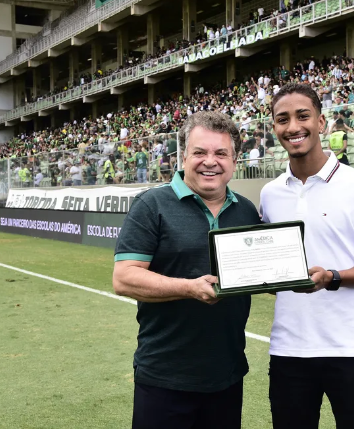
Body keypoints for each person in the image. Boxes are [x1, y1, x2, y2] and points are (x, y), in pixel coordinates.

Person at [260, 83, 354, 429]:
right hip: (289, 348)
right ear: (274, 128)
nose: (293, 127)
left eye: (302, 116)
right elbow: (273, 270)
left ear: (321, 122)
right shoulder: (270, 193)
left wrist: (332, 277)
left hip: (351, 349)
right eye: (282, 119)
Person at [112, 111, 261, 429]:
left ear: (234, 161)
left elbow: (258, 270)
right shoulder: (151, 205)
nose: (211, 161)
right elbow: (124, 277)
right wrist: (189, 288)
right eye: (200, 152)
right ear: (183, 157)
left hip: (228, 375)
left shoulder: (247, 210)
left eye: (221, 153)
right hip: (165, 379)